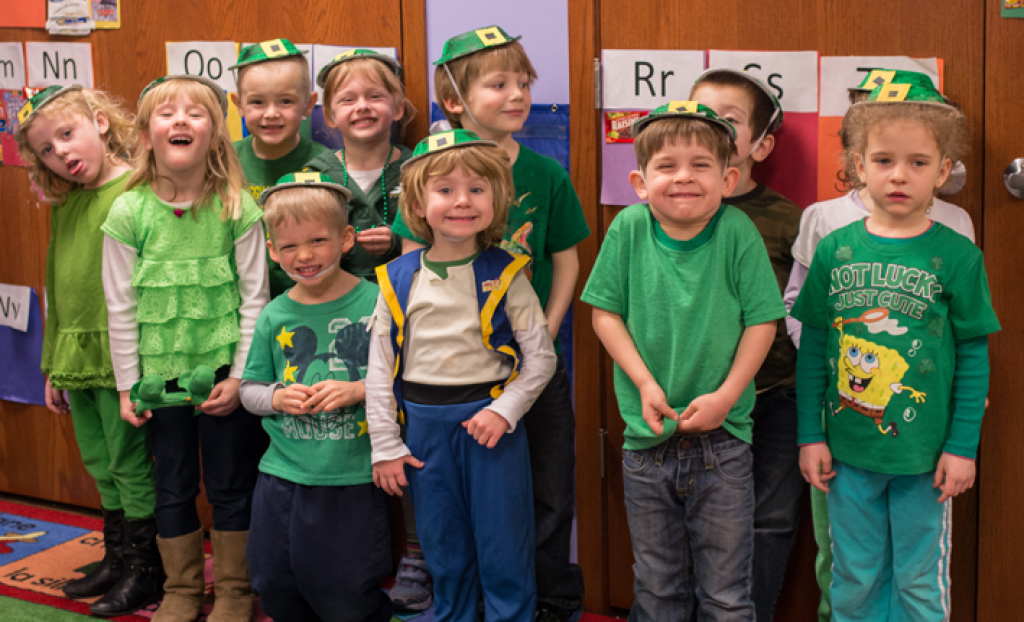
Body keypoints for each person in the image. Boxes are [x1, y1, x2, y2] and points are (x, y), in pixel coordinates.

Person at [390, 27, 590, 620]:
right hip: (449, 373)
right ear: (454, 98)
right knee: (452, 493)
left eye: (524, 82)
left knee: (547, 487)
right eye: (499, 83)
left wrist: (548, 332)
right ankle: (460, 598)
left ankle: (546, 598)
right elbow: (406, 263)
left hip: (533, 365)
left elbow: (566, 257)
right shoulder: (428, 168)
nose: (518, 94)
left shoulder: (547, 174)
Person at [791, 79, 1000, 622]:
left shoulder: (958, 254)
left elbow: (974, 355)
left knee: (918, 581)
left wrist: (963, 447)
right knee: (853, 576)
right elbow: (814, 346)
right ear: (859, 166)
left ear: (944, 169)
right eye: (883, 160)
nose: (900, 175)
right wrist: (810, 434)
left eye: (918, 162)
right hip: (845, 455)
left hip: (925, 459)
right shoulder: (834, 247)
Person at [582, 101, 785, 621]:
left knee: (726, 595)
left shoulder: (737, 231)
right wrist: (647, 384)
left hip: (724, 443)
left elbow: (762, 322)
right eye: (667, 166)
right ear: (640, 181)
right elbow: (605, 314)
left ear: (728, 176)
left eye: (701, 165)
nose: (684, 177)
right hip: (645, 444)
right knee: (657, 589)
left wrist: (725, 396)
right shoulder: (628, 228)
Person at [367, 130, 557, 622]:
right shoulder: (397, 277)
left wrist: (504, 411)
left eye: (476, 189)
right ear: (417, 201)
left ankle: (510, 615)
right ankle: (451, 614)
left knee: (503, 539)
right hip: (423, 428)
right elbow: (379, 371)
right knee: (441, 538)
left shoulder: (509, 273)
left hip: (489, 425)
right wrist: (386, 445)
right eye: (445, 190)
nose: (462, 202)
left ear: (497, 197)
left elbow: (541, 359)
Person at [101, 74, 269, 622]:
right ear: (146, 135)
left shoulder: (237, 206)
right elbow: (120, 307)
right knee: (172, 485)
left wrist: (240, 378)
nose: (179, 121)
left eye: (194, 114)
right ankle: (180, 591)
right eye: (165, 114)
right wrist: (128, 385)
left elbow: (255, 300)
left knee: (230, 483)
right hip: (159, 381)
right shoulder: (129, 213)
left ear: (216, 134)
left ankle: (235, 592)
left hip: (224, 377)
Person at [16, 85, 161, 617]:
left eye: (67, 134)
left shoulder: (136, 191)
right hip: (75, 353)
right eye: (47, 150)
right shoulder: (66, 201)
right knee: (99, 461)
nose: (62, 153)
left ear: (100, 122)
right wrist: (52, 364)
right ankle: (118, 557)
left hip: (121, 353)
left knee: (128, 461)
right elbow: (56, 279)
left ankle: (146, 569)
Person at [239, 172, 393, 622]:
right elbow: (249, 391)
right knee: (274, 582)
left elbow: (407, 381)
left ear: (347, 239)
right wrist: (277, 397)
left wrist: (360, 389)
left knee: (346, 594)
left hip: (352, 478)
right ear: (271, 251)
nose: (304, 256)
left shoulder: (379, 301)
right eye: (288, 247)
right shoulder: (273, 313)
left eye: (317, 241)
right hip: (281, 477)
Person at [689, 68, 803, 622]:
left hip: (775, 394)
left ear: (761, 144)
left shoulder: (786, 220)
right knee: (691, 515)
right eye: (699, 112)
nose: (708, 126)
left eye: (727, 121)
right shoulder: (671, 211)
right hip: (693, 396)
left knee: (769, 519)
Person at [304, 49, 416, 284]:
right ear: (329, 116)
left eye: (375, 96)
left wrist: (397, 240)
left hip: (404, 293)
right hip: (336, 298)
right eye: (348, 99)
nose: (362, 106)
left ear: (398, 108)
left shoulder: (418, 170)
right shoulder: (317, 176)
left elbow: (438, 232)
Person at [229, 38, 329, 298]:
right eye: (258, 102)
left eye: (285, 101)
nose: (271, 113)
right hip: (239, 297)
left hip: (307, 295)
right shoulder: (223, 161)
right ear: (238, 104)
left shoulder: (326, 165)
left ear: (309, 104)